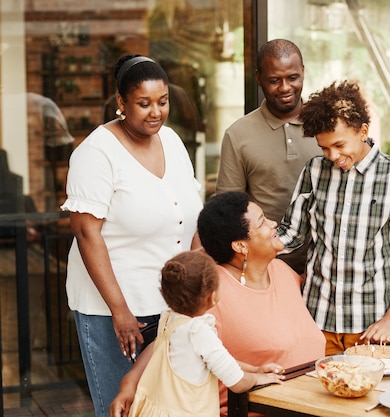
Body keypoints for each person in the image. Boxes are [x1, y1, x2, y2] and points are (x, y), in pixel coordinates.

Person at [61, 54, 203, 417]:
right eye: (143, 103)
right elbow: (86, 234)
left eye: (163, 101)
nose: (155, 112)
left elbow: (192, 215)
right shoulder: (95, 153)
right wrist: (119, 311)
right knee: (120, 409)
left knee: (165, 408)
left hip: (170, 306)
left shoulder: (171, 141)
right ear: (121, 103)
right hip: (115, 311)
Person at [110, 191, 325, 417]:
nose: (273, 224)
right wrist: (129, 383)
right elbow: (171, 338)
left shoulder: (282, 272)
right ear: (240, 246)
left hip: (314, 402)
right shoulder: (213, 290)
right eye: (262, 222)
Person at [277, 80, 390, 355]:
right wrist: (244, 246)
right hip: (316, 319)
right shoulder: (314, 170)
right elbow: (292, 234)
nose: (332, 156)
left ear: (363, 131)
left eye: (339, 144)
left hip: (370, 325)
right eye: (324, 148)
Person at [118, 250, 284, 417]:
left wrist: (256, 369)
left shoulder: (169, 319)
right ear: (212, 296)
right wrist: (258, 379)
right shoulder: (198, 332)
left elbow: (219, 361)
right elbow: (237, 382)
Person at [215, 39, 321, 274]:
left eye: (293, 78)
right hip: (264, 268)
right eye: (274, 80)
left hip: (324, 268)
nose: (284, 87)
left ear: (303, 72)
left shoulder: (328, 127)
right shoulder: (238, 134)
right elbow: (229, 211)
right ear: (259, 78)